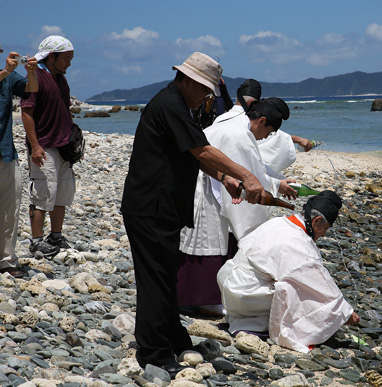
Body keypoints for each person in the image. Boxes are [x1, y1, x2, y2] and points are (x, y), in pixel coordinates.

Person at [121, 51, 265, 377]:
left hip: (163, 207)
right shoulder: (170, 104)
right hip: (150, 207)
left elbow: (192, 154)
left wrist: (224, 177)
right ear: (188, 80)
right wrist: (246, 176)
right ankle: (153, 352)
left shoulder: (179, 105)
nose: (205, 98)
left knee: (166, 276)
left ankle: (172, 337)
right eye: (204, 90)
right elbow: (203, 149)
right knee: (155, 279)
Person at [177, 96, 296, 317]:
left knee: (205, 238)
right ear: (261, 121)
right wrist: (276, 186)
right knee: (210, 239)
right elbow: (250, 175)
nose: (266, 137)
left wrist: (277, 183)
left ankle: (191, 296)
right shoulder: (239, 135)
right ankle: (205, 300)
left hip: (208, 180)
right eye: (268, 132)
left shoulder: (234, 123)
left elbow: (254, 168)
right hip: (206, 185)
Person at [217, 190, 360, 353]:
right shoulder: (296, 241)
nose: (323, 234)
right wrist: (345, 312)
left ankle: (249, 317)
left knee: (296, 281)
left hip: (230, 282)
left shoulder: (281, 222)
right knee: (298, 289)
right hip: (243, 293)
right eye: (325, 228)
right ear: (317, 221)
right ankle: (265, 324)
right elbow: (319, 282)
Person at [20, 35, 75, 257]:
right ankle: (36, 241)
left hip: (63, 147)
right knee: (42, 195)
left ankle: (56, 236)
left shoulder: (61, 79)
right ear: (51, 57)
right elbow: (27, 111)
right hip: (44, 146)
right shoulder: (36, 78)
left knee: (61, 194)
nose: (69, 63)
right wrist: (35, 145)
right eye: (66, 59)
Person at [0, 42, 38, 278]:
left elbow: (31, 90)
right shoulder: (4, 75)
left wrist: (31, 72)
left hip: (5, 152)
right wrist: (4, 72)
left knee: (10, 209)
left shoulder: (9, 79)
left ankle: (6, 260)